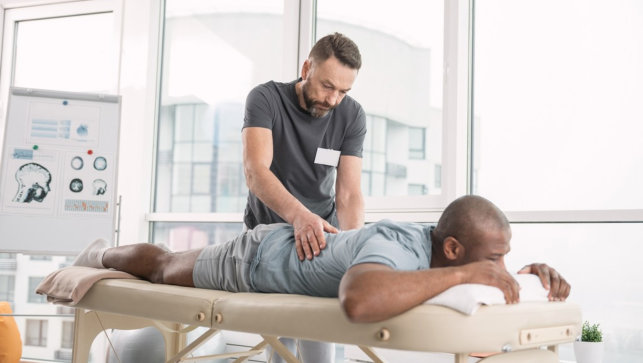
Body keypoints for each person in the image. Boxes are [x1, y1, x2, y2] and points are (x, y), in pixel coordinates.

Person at [73, 195, 571, 326]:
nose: (497, 269)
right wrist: (470, 274)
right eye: (494, 259)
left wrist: (524, 277)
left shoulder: (447, 253)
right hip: (258, 257)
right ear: (454, 251)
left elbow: (477, 275)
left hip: (292, 259)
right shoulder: (396, 243)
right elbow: (357, 301)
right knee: (163, 264)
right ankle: (99, 251)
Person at [242, 32, 366, 262]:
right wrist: (302, 218)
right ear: (306, 69)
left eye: (343, 92)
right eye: (327, 86)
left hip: (322, 237)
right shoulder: (265, 99)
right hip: (266, 235)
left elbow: (348, 195)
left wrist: (355, 246)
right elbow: (255, 172)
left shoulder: (352, 115)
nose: (333, 100)